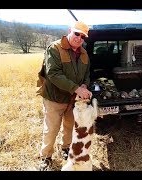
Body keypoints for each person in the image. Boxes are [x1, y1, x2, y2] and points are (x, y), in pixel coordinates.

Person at [36, 21, 93, 171]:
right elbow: (53, 74)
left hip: (72, 100)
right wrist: (76, 89)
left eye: (83, 36)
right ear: (69, 31)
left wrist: (84, 86)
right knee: (51, 129)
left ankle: (66, 148)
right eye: (76, 33)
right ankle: (45, 157)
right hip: (54, 98)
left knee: (69, 127)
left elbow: (87, 75)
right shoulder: (54, 48)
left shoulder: (84, 53)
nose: (79, 38)